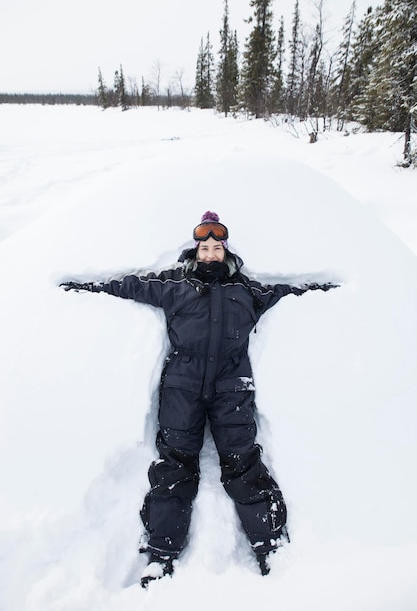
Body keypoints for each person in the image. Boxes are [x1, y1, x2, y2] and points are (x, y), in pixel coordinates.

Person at [60, 211, 339, 587]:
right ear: (196, 251)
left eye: (217, 247)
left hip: (231, 388)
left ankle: (270, 544)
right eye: (204, 248)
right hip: (182, 387)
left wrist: (333, 288)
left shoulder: (247, 292)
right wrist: (85, 286)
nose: (210, 254)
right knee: (175, 465)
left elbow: (291, 291)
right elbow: (128, 285)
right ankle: (161, 553)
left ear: (226, 252)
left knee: (242, 463)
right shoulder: (174, 285)